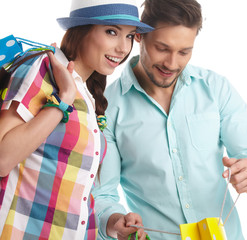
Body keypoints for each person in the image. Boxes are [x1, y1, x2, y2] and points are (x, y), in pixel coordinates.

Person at [92, 0, 247, 239]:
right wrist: (114, 223)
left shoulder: (216, 89)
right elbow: (102, 196)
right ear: (139, 36)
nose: (172, 64)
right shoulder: (106, 108)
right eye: (162, 48)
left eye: (184, 52)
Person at [0, 0, 153, 239]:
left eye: (130, 36)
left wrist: (112, 224)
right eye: (112, 32)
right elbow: (2, 158)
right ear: (81, 29)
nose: (123, 48)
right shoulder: (43, 68)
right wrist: (63, 100)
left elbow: (74, 191)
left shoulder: (90, 96)